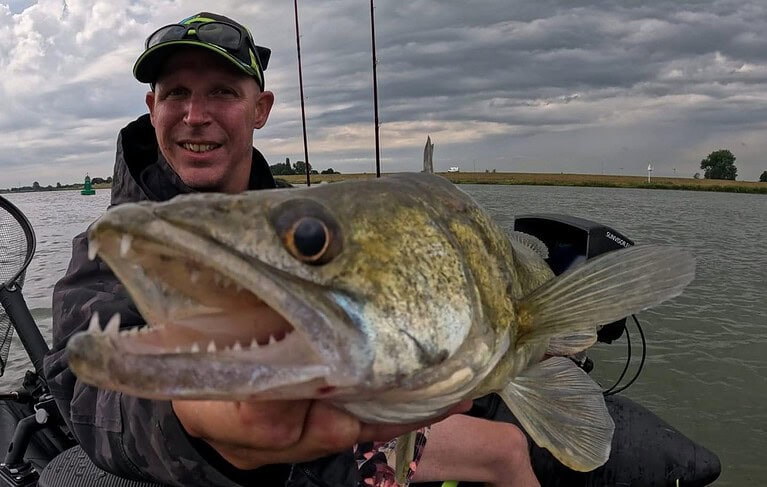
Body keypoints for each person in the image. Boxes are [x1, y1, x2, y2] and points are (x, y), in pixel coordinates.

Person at [43, 11, 538, 487]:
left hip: (352, 432)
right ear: (153, 110)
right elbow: (82, 387)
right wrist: (187, 418)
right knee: (504, 448)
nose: (196, 115)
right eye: (176, 93)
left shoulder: (301, 215)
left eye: (222, 91)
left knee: (509, 447)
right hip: (242, 468)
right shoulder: (115, 243)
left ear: (261, 109)